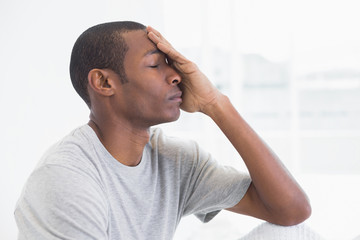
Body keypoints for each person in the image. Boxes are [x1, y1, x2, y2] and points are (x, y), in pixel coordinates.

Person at [14, 21, 311, 240]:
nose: (176, 75)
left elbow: (291, 211)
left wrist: (217, 105)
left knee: (294, 234)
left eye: (171, 64)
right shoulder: (65, 177)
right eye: (156, 65)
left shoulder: (175, 159)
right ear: (104, 83)